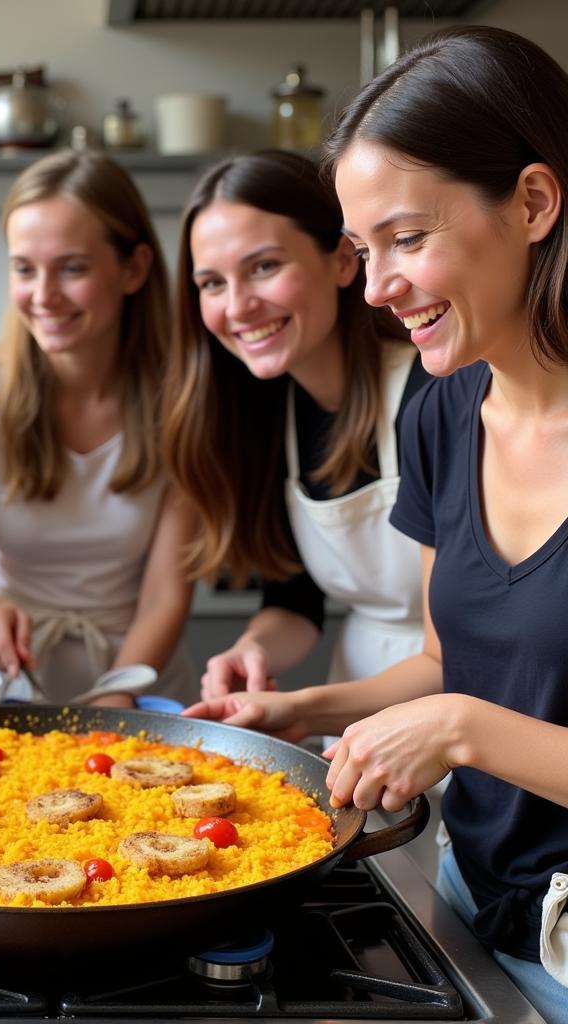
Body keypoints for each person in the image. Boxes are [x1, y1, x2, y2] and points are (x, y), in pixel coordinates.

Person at [187, 26, 568, 1022]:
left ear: (532, 202)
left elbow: (466, 709)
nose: (376, 285)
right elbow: (453, 664)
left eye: (405, 239)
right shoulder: (444, 411)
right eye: (362, 250)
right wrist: (300, 715)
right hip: (471, 902)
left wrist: (463, 730)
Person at [0, 150, 196, 707]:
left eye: (72, 268)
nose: (43, 295)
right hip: (4, 690)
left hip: (137, 684)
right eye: (24, 268)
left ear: (134, 269)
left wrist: (116, 696)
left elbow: (166, 596)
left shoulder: (183, 404)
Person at [163, 150, 426, 704]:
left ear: (341, 261)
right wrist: (253, 647)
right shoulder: (265, 412)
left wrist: (299, 711)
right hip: (355, 708)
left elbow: (469, 641)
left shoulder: (428, 395)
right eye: (211, 283)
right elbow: (295, 600)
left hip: (464, 705)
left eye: (263, 267)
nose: (238, 307)